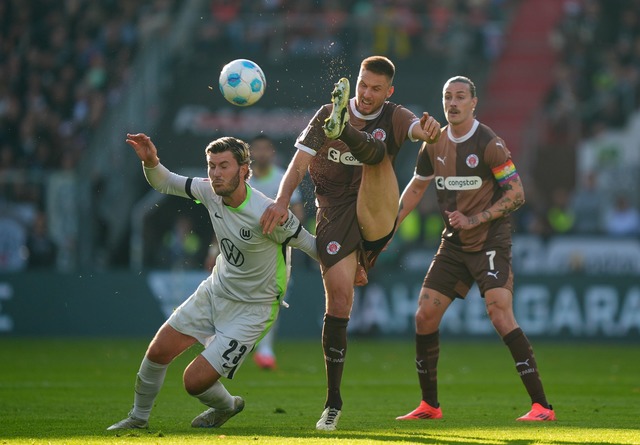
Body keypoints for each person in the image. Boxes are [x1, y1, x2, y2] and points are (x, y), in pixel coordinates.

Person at [260, 55, 441, 431]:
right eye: (363, 85)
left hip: (376, 205)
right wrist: (280, 201)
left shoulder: (394, 114)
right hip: (333, 213)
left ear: (389, 91)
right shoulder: (325, 113)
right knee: (340, 299)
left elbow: (413, 130)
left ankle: (346, 133)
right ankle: (332, 403)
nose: (368, 93)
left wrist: (425, 132)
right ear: (356, 82)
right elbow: (297, 165)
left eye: (376, 89)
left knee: (376, 157)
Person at [107, 133, 318, 431]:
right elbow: (164, 181)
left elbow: (312, 245)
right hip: (215, 291)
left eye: (224, 166)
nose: (216, 174)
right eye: (211, 166)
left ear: (244, 170)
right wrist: (151, 161)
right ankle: (138, 419)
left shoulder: (268, 213)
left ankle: (227, 406)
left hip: (253, 309)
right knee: (157, 352)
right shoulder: (208, 191)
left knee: (193, 382)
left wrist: (354, 267)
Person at [394, 76, 556, 422]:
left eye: (460, 97)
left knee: (499, 311)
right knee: (423, 316)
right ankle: (429, 406)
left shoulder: (489, 142)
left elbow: (517, 194)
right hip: (453, 244)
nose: (452, 103)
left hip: (489, 241)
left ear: (473, 103)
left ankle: (542, 406)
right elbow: (416, 187)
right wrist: (388, 225)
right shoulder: (432, 142)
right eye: (447, 97)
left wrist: (476, 218)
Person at [247, 134, 305, 370]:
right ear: (250, 153)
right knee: (244, 297)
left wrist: (286, 232)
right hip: (247, 246)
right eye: (256, 149)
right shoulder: (243, 180)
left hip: (276, 248)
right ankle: (242, 341)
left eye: (265, 148)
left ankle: (265, 349)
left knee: (274, 298)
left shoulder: (283, 179)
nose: (261, 153)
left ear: (271, 152)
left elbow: (299, 213)